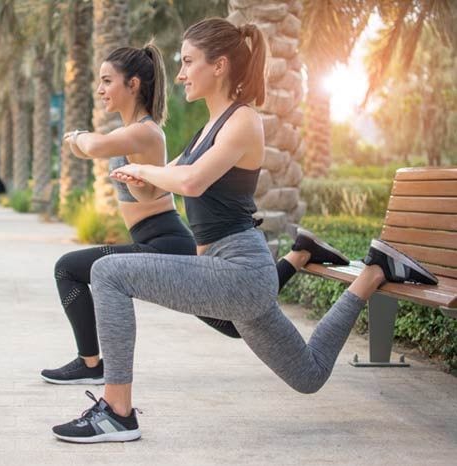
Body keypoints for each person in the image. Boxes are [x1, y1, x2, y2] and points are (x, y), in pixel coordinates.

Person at [50, 18, 439, 444]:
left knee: (108, 273)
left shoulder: (243, 122)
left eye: (188, 62)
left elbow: (192, 182)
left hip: (240, 269)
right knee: (308, 374)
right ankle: (373, 273)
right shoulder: (204, 133)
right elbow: (166, 183)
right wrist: (141, 179)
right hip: (230, 275)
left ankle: (117, 411)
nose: (179, 74)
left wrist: (144, 168)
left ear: (218, 66)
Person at [41, 42, 199, 386]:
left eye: (107, 80)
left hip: (165, 242)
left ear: (133, 85)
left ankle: (90, 363)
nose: (100, 89)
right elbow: (147, 192)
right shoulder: (130, 133)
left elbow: (93, 148)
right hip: (154, 240)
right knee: (235, 320)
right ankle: (296, 256)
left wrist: (77, 136)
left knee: (67, 268)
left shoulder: (144, 131)